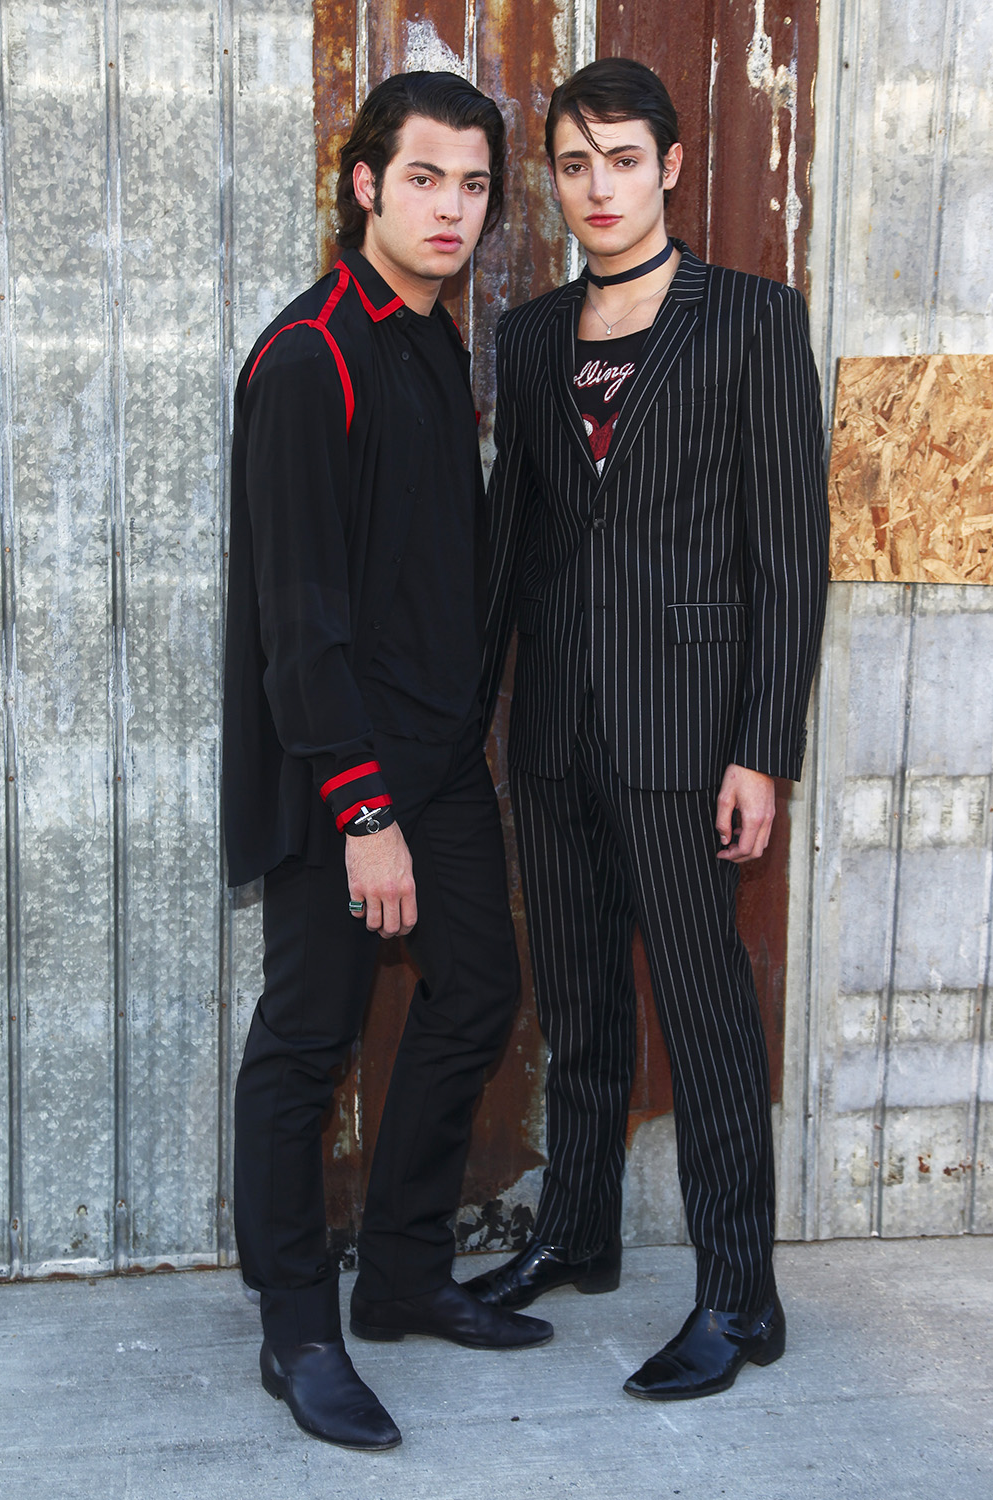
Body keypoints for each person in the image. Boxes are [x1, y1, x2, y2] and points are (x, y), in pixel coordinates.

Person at [465, 57, 828, 1402]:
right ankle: (576, 1235)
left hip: (690, 739)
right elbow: (515, 548)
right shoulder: (533, 335)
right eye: (573, 163)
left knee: (706, 1014)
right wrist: (468, 724)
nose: (598, 186)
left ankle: (740, 1295)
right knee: (578, 1000)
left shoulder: (748, 321)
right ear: (554, 179)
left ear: (669, 165)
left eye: (622, 158)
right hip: (554, 728)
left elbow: (791, 559)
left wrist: (763, 748)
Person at [223, 70, 552, 1453]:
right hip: (331, 773)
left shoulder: (427, 338)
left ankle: (406, 1271)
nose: (452, 210)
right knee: (307, 1043)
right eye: (425, 178)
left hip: (437, 758)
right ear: (364, 183)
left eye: (474, 186)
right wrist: (362, 813)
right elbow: (298, 623)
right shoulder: (309, 360)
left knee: (477, 990)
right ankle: (298, 1326)